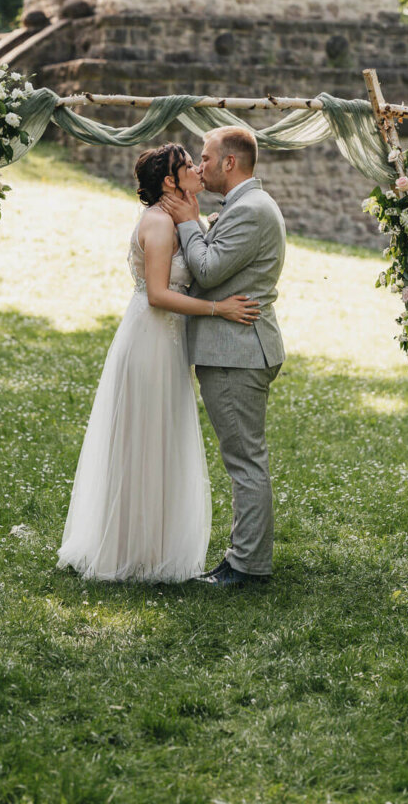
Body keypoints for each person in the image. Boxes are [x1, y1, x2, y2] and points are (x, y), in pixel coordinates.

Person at [57, 143, 260, 583]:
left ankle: (153, 547)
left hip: (167, 341)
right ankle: (130, 553)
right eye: (189, 165)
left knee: (160, 439)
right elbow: (157, 294)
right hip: (150, 339)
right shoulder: (157, 223)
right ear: (170, 181)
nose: (197, 169)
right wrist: (219, 310)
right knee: (144, 440)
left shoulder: (178, 219)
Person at [161, 127, 286, 588]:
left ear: (229, 163)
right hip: (236, 347)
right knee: (243, 457)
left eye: (206, 157)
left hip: (238, 352)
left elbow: (208, 269)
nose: (199, 164)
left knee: (244, 461)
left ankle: (247, 567)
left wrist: (189, 222)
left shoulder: (250, 210)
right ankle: (242, 557)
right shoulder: (245, 206)